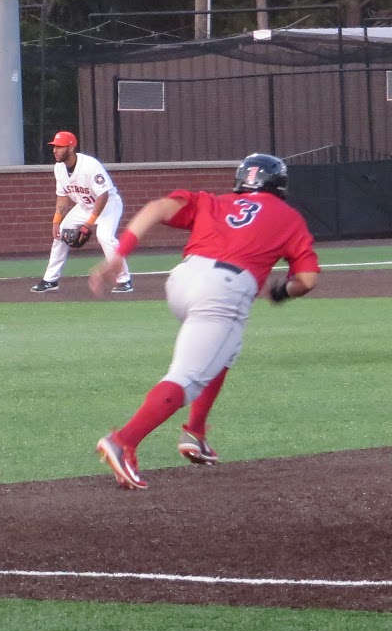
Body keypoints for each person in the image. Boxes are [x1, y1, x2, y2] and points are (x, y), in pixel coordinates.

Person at [87, 153, 319, 490]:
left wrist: (119, 254)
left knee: (226, 349)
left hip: (182, 280)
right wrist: (283, 291)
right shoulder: (289, 218)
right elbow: (307, 280)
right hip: (224, 290)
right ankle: (123, 441)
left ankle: (195, 433)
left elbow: (156, 208)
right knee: (188, 377)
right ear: (279, 185)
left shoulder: (215, 201)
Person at [31, 130, 133, 294]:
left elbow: (103, 195)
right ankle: (50, 280)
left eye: (60, 147)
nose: (55, 150)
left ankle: (124, 280)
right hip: (85, 206)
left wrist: (88, 224)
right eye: (54, 146)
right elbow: (62, 196)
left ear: (71, 148)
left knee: (104, 236)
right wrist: (56, 221)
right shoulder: (59, 168)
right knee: (60, 233)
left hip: (108, 205)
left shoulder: (90, 165)